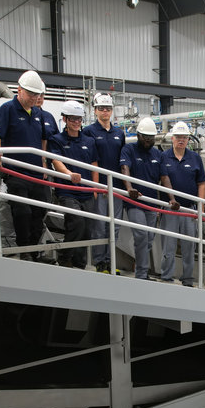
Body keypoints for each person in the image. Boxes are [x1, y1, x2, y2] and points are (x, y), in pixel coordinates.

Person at [0, 70, 50, 257]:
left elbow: (42, 141)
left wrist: (44, 163)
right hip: (16, 173)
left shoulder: (38, 113)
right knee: (22, 212)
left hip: (36, 173)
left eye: (37, 95)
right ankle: (24, 250)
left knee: (40, 210)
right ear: (19, 90)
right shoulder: (7, 109)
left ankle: (32, 249)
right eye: (31, 94)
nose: (34, 98)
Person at [48, 100, 99, 269]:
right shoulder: (56, 140)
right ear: (64, 119)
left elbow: (94, 165)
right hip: (67, 191)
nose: (76, 123)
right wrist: (69, 175)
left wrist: (95, 188)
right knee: (76, 222)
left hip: (87, 192)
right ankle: (65, 258)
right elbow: (56, 161)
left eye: (79, 119)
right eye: (72, 119)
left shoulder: (89, 141)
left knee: (87, 229)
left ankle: (80, 263)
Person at [119, 117, 171, 280]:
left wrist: (172, 198)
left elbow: (164, 177)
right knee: (141, 235)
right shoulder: (129, 149)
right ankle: (141, 273)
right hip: (134, 202)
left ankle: (141, 270)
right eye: (145, 137)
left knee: (148, 239)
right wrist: (129, 188)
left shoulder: (158, 154)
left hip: (151, 203)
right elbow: (124, 168)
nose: (148, 140)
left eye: (151, 138)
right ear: (138, 135)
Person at [83, 93, 126, 273]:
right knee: (99, 227)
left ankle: (110, 262)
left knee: (114, 227)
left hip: (116, 187)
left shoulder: (119, 133)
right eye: (101, 109)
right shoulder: (89, 131)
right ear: (95, 110)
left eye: (108, 108)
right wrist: (93, 186)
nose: (105, 112)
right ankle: (99, 262)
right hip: (99, 187)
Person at [160, 121, 205, 286]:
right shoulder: (164, 157)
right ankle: (166, 276)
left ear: (188, 140)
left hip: (189, 210)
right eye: (178, 137)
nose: (181, 140)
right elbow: (163, 180)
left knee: (189, 247)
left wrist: (200, 208)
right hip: (170, 208)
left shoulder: (195, 158)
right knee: (169, 245)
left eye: (184, 137)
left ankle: (187, 279)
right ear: (172, 138)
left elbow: (201, 183)